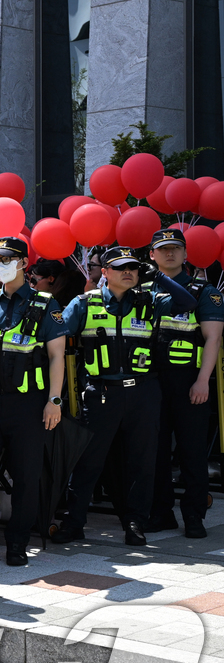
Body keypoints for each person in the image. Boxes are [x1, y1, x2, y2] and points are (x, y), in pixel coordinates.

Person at [52, 245, 199, 546]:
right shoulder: (85, 303)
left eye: (133, 267)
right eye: (120, 268)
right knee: (89, 461)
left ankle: (135, 522)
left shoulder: (150, 300)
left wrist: (158, 276)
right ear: (105, 272)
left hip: (144, 393)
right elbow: (55, 335)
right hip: (101, 393)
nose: (129, 272)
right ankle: (74, 522)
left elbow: (187, 303)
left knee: (142, 462)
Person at [0, 237, 69, 566]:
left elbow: (57, 356)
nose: (0, 266)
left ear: (23, 263)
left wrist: (54, 400)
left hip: (29, 403)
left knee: (26, 475)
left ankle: (18, 542)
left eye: (7, 259)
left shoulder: (45, 304)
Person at [146, 228, 224, 538]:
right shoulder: (141, 289)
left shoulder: (204, 291)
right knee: (155, 451)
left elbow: (213, 338)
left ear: (186, 254)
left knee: (192, 452)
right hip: (151, 381)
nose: (169, 253)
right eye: (163, 249)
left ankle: (194, 515)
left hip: (190, 381)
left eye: (176, 248)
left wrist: (203, 380)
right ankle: (161, 513)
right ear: (152, 255)